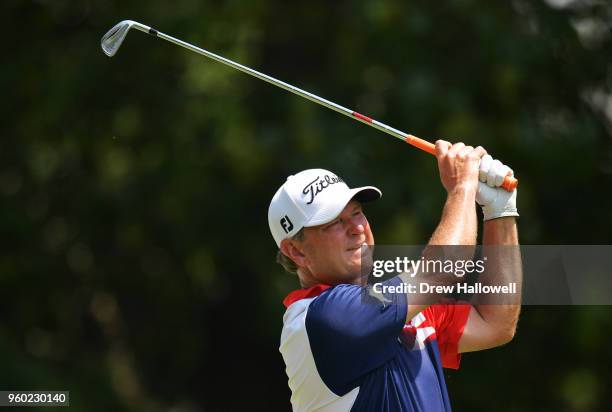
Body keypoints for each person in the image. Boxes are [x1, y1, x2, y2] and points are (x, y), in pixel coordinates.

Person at [268, 141, 522, 412]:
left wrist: (500, 212)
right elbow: (441, 273)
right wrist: (462, 187)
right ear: (295, 251)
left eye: (357, 213)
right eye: (335, 223)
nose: (357, 228)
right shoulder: (322, 318)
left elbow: (494, 323)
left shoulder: (394, 308)